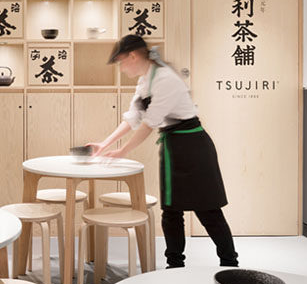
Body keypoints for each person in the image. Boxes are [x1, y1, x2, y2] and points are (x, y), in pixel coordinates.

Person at [87, 35, 238, 268]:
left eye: (122, 61)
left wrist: (124, 150)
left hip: (194, 146)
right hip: (172, 148)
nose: (121, 67)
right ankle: (174, 265)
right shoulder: (144, 80)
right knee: (171, 211)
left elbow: (150, 123)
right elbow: (133, 118)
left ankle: (230, 265)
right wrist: (104, 144)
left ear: (134, 56)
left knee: (208, 210)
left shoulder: (165, 78)